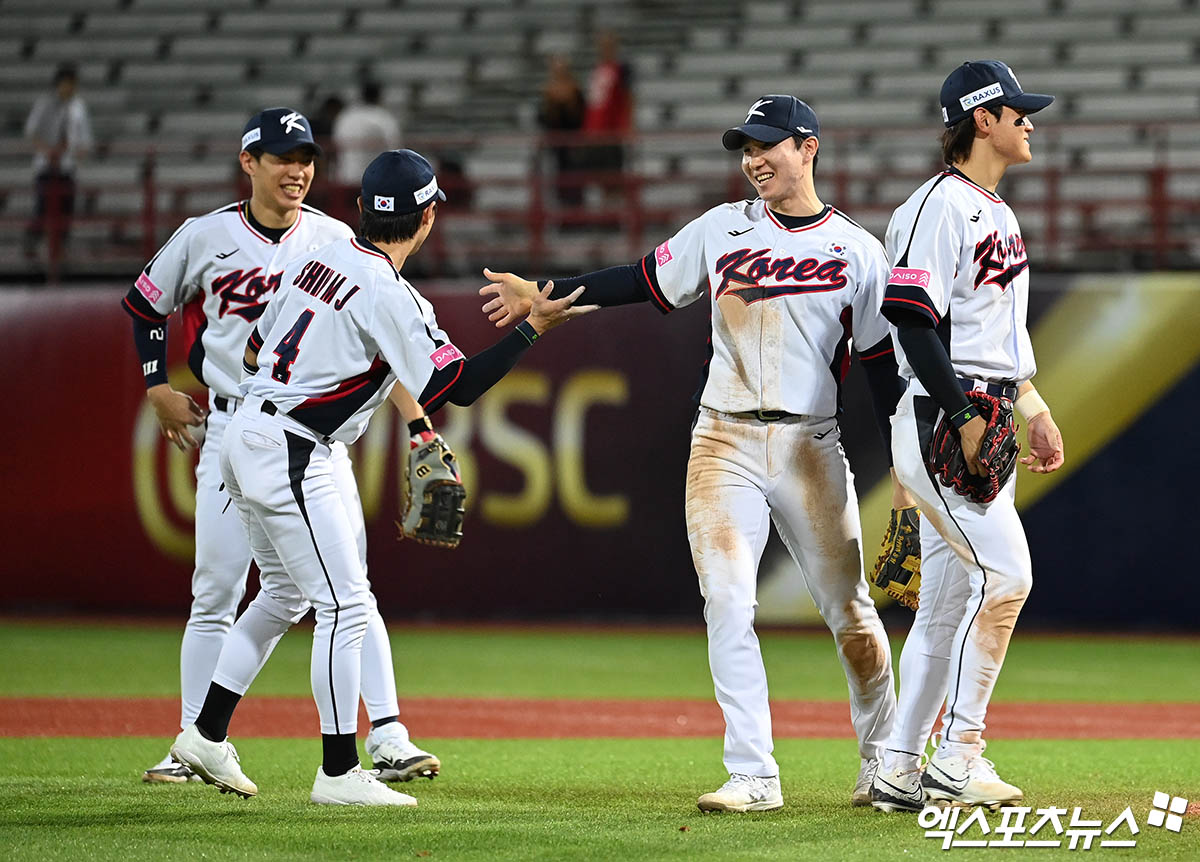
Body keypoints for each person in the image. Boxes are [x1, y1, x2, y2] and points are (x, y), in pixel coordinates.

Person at [480, 95, 913, 812]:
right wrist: (546, 293)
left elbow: (878, 366)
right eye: (745, 146)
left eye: (767, 144)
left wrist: (903, 463)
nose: (753, 158)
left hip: (812, 444)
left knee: (852, 613)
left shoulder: (858, 252)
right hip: (724, 439)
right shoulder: (722, 229)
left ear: (808, 147)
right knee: (727, 601)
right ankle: (754, 773)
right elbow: (640, 279)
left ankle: (882, 759)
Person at [170, 149, 594, 805]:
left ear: (365, 207)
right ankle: (338, 772)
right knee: (343, 607)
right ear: (426, 219)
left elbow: (253, 347)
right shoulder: (393, 293)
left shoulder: (319, 253)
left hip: (245, 430)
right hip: (293, 447)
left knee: (283, 596)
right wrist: (533, 327)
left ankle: (204, 732)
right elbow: (460, 386)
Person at [122, 108, 438, 789]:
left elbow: (386, 341)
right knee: (223, 591)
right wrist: (155, 385)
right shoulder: (206, 236)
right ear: (249, 162)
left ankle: (385, 733)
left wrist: (417, 423)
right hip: (233, 423)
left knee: (344, 584)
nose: (296, 169)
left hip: (314, 438)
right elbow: (146, 303)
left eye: (306, 157)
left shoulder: (332, 238)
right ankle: (194, 747)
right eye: (280, 156)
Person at [869, 61, 1065, 813]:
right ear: (981, 119)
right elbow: (912, 324)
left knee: (947, 610)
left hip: (985, 414)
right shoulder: (934, 208)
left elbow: (996, 342)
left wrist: (1031, 406)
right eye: (1017, 110)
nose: (1029, 121)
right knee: (1008, 578)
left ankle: (897, 767)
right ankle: (958, 756)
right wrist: (962, 415)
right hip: (944, 421)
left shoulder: (997, 211)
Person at [23, 63, 93, 259]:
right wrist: (47, 150)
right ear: (58, 84)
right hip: (46, 166)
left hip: (67, 167)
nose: (68, 88)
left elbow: (85, 139)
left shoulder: (78, 107)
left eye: (72, 84)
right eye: (65, 83)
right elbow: (32, 131)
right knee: (42, 207)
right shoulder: (44, 105)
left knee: (66, 209)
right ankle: (32, 243)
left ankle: (61, 249)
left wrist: (76, 152)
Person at [581, 31, 633, 200]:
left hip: (611, 133)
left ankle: (616, 216)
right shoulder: (596, 71)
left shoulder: (620, 70)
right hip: (595, 133)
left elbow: (628, 98)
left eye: (608, 46)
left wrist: (626, 126)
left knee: (614, 178)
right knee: (599, 179)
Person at [332, 81, 401, 194]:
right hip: (375, 182)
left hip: (346, 177)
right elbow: (396, 149)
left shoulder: (346, 116)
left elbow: (335, 144)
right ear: (379, 96)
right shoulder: (383, 117)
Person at [537, 55, 586, 207]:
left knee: (574, 179)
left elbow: (580, 117)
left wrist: (568, 100)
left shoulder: (576, 90)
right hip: (556, 146)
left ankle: (576, 212)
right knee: (558, 181)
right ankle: (563, 215)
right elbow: (543, 119)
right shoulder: (548, 92)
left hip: (573, 145)